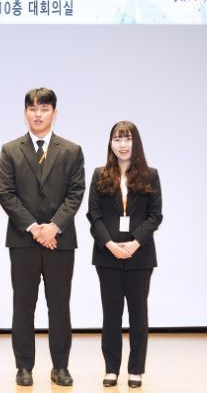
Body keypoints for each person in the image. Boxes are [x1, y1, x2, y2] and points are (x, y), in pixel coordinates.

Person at [0, 88, 85, 387]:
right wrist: (35, 228)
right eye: (33, 109)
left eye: (44, 109)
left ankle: (60, 366)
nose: (38, 114)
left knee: (59, 306)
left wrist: (54, 226)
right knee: (24, 306)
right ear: (25, 113)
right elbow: (6, 194)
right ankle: (24, 367)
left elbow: (76, 192)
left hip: (60, 240)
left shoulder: (71, 150)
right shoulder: (10, 149)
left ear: (54, 113)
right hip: (23, 241)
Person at [87, 121, 162, 389]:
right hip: (107, 256)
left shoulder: (150, 175)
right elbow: (93, 215)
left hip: (140, 257)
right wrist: (109, 244)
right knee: (111, 316)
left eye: (127, 139)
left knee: (138, 315)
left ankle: (136, 369)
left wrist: (135, 243)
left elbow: (155, 216)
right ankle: (111, 369)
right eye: (117, 139)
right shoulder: (99, 175)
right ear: (111, 144)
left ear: (135, 142)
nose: (122, 145)